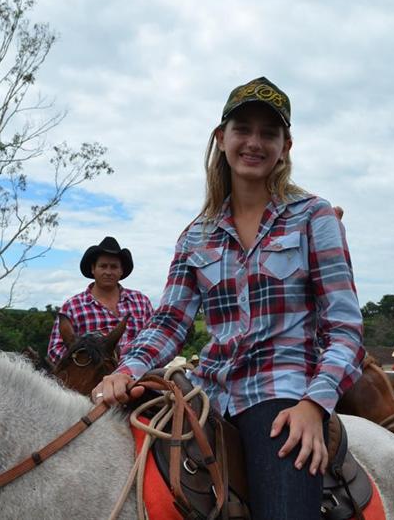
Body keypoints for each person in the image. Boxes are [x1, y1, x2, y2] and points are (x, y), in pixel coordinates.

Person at [93, 76, 365, 519]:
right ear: (222, 138)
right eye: (243, 130)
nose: (254, 142)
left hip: (281, 393)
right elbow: (169, 323)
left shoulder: (314, 216)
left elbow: (345, 327)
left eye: (268, 133)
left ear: (285, 146)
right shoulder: (195, 235)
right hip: (206, 392)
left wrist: (315, 404)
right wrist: (127, 370)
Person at [47, 236, 153, 364]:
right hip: (90, 373)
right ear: (93, 269)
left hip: (139, 371)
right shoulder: (73, 307)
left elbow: (155, 337)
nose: (108, 272)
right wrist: (86, 362)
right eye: (103, 266)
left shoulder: (141, 302)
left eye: (114, 267)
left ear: (121, 270)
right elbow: (55, 350)